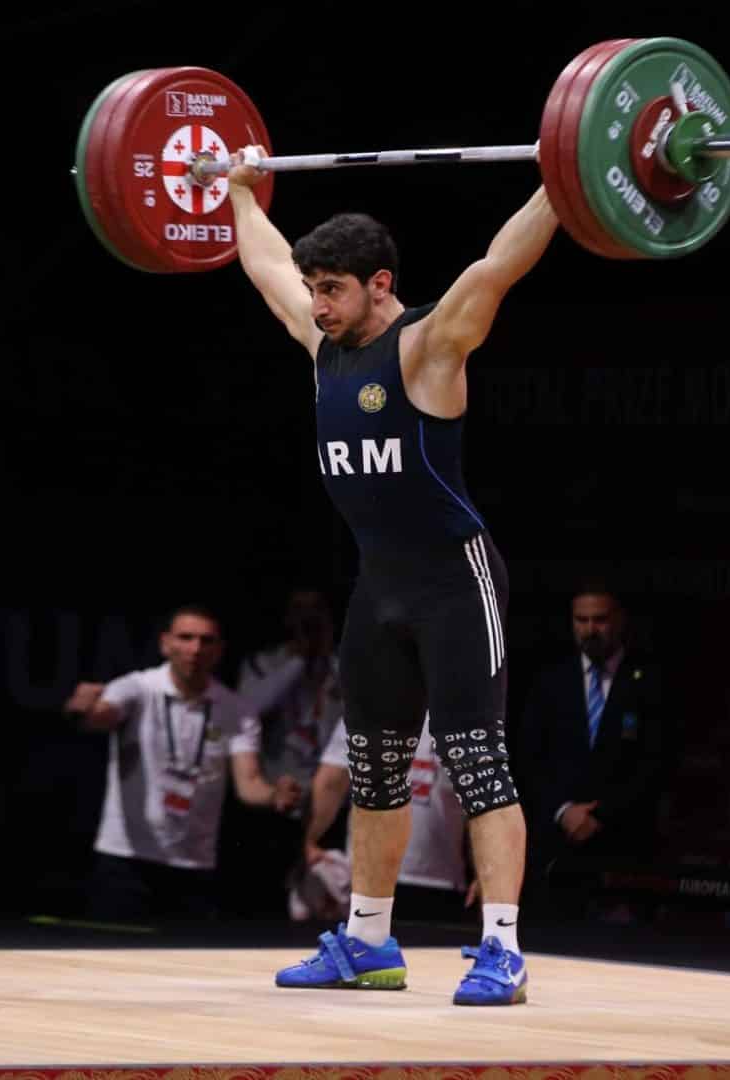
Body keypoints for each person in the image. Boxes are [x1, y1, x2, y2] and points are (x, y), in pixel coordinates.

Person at [226, 146, 559, 1005]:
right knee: (373, 769)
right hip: (379, 589)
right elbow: (263, 264)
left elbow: (499, 263)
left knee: (478, 762)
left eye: (331, 289)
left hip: (457, 581)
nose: (316, 304)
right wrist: (234, 191)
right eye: (314, 289)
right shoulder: (321, 341)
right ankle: (369, 943)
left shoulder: (429, 345)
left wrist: (567, 174)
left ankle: (503, 952)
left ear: (379, 283)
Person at [64, 603, 304, 921]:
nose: (195, 648)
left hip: (194, 865)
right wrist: (81, 709)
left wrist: (274, 795)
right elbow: (99, 716)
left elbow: (249, 784)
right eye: (186, 637)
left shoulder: (236, 710)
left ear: (219, 650)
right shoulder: (138, 687)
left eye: (206, 640)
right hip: (125, 857)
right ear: (166, 643)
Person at [515, 581, 676, 920]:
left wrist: (602, 814)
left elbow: (656, 762)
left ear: (619, 620)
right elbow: (530, 759)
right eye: (582, 620)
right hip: (556, 846)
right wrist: (563, 810)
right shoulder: (550, 681)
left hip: (624, 846)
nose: (590, 629)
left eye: (600, 620)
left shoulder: (649, 681)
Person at [225, 586, 344, 917]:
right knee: (266, 908)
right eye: (301, 614)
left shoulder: (344, 670)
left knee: (324, 907)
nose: (308, 622)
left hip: (329, 806)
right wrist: (299, 659)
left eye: (316, 614)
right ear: (288, 618)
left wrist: (326, 662)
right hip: (276, 798)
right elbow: (249, 708)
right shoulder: (265, 663)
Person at [291, 714, 475, 925]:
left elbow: (476, 805)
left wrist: (483, 873)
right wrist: (307, 843)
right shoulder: (364, 706)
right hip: (368, 877)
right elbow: (331, 782)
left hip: (439, 880)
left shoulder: (457, 714)